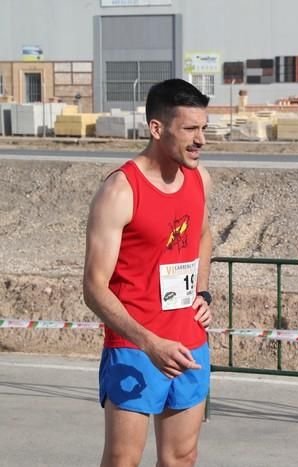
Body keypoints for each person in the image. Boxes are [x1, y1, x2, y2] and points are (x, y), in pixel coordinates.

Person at [83, 78, 213, 467]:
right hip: (136, 348)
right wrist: (149, 342)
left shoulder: (199, 178)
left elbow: (204, 236)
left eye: (204, 128)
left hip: (190, 343)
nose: (200, 139)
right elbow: (94, 288)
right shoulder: (120, 190)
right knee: (124, 460)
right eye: (190, 129)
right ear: (157, 128)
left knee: (182, 457)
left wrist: (203, 292)